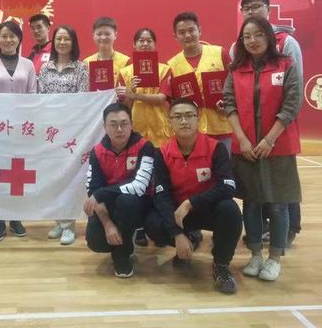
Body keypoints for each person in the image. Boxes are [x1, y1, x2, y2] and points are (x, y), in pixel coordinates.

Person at [223, 16, 302, 282]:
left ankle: (275, 258)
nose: (252, 40)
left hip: (278, 147)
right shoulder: (236, 69)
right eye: (246, 36)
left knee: (278, 204)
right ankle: (255, 255)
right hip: (246, 148)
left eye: (258, 34)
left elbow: (291, 104)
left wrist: (269, 140)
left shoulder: (286, 65)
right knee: (251, 203)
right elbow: (229, 104)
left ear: (268, 36)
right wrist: (242, 140)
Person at [144, 98, 242, 294]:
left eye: (189, 116)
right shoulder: (162, 153)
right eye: (177, 117)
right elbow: (161, 195)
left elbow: (228, 187)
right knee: (152, 223)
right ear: (170, 122)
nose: (184, 121)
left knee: (230, 210)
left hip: (208, 209)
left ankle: (221, 265)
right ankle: (188, 241)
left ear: (199, 119)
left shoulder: (216, 148)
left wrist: (191, 203)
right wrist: (177, 234)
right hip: (179, 214)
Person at [237, 0, 303, 245]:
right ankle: (261, 232)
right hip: (249, 134)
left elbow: (294, 93)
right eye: (247, 8)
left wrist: (274, 134)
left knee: (281, 192)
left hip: (278, 132)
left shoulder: (287, 44)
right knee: (253, 194)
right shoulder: (238, 47)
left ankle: (288, 230)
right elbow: (236, 93)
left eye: (256, 6)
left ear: (268, 8)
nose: (251, 11)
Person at [84, 103, 155, 278]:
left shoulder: (145, 147)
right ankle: (119, 242)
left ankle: (122, 255)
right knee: (96, 241)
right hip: (109, 207)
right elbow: (93, 189)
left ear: (132, 125)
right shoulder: (97, 152)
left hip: (139, 205)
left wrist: (100, 194)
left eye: (124, 123)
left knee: (127, 202)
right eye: (113, 124)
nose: (119, 129)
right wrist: (107, 224)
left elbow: (139, 186)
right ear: (104, 126)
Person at [0, 21, 37, 241]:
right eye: (4, 36)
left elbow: (33, 95)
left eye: (12, 36)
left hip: (21, 130)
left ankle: (15, 218)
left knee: (18, 174)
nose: (8, 40)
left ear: (19, 39)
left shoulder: (28, 65)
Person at [37, 25, 88, 245]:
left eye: (67, 39)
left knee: (69, 176)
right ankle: (58, 221)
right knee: (53, 176)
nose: (62, 42)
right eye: (59, 38)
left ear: (73, 42)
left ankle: (69, 225)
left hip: (71, 131)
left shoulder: (81, 68)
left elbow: (83, 99)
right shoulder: (45, 68)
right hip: (50, 132)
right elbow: (39, 98)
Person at [160, 12, 232, 150]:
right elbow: (169, 101)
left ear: (199, 30)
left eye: (191, 30)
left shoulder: (220, 53)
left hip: (221, 128)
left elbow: (234, 86)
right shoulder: (172, 65)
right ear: (175, 36)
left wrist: (228, 104)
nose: (187, 35)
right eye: (182, 32)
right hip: (190, 132)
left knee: (222, 163)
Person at [117, 28, 172, 148]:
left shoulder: (165, 69)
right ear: (134, 44)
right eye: (141, 41)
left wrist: (136, 95)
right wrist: (131, 93)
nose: (145, 44)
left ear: (154, 44)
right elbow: (124, 108)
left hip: (160, 131)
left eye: (149, 41)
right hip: (136, 130)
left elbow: (161, 98)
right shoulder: (124, 72)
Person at [83, 17, 130, 85]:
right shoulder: (87, 63)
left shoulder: (125, 61)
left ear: (115, 35)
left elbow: (130, 88)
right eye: (99, 34)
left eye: (107, 34)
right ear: (93, 36)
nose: (103, 37)